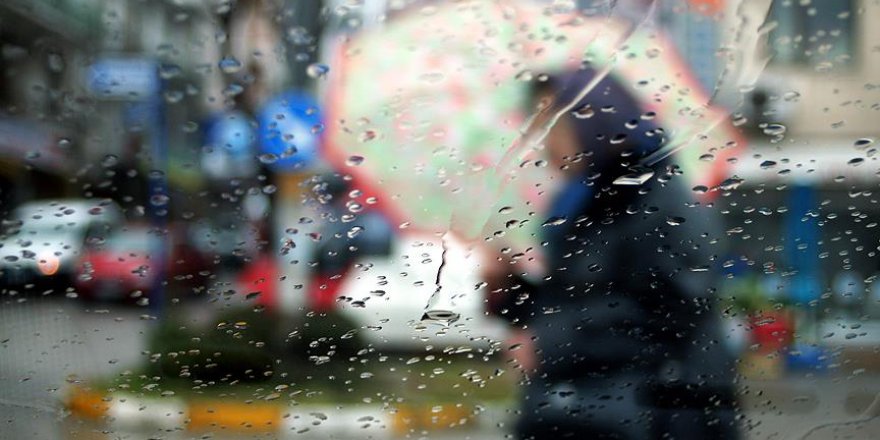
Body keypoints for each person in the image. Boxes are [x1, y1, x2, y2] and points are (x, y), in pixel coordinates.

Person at [484, 68, 740, 439]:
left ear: (598, 118)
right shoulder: (579, 204)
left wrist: (548, 343)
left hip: (654, 415)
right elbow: (574, 299)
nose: (544, 142)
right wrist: (509, 289)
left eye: (552, 124)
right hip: (587, 410)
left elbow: (671, 311)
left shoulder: (660, 202)